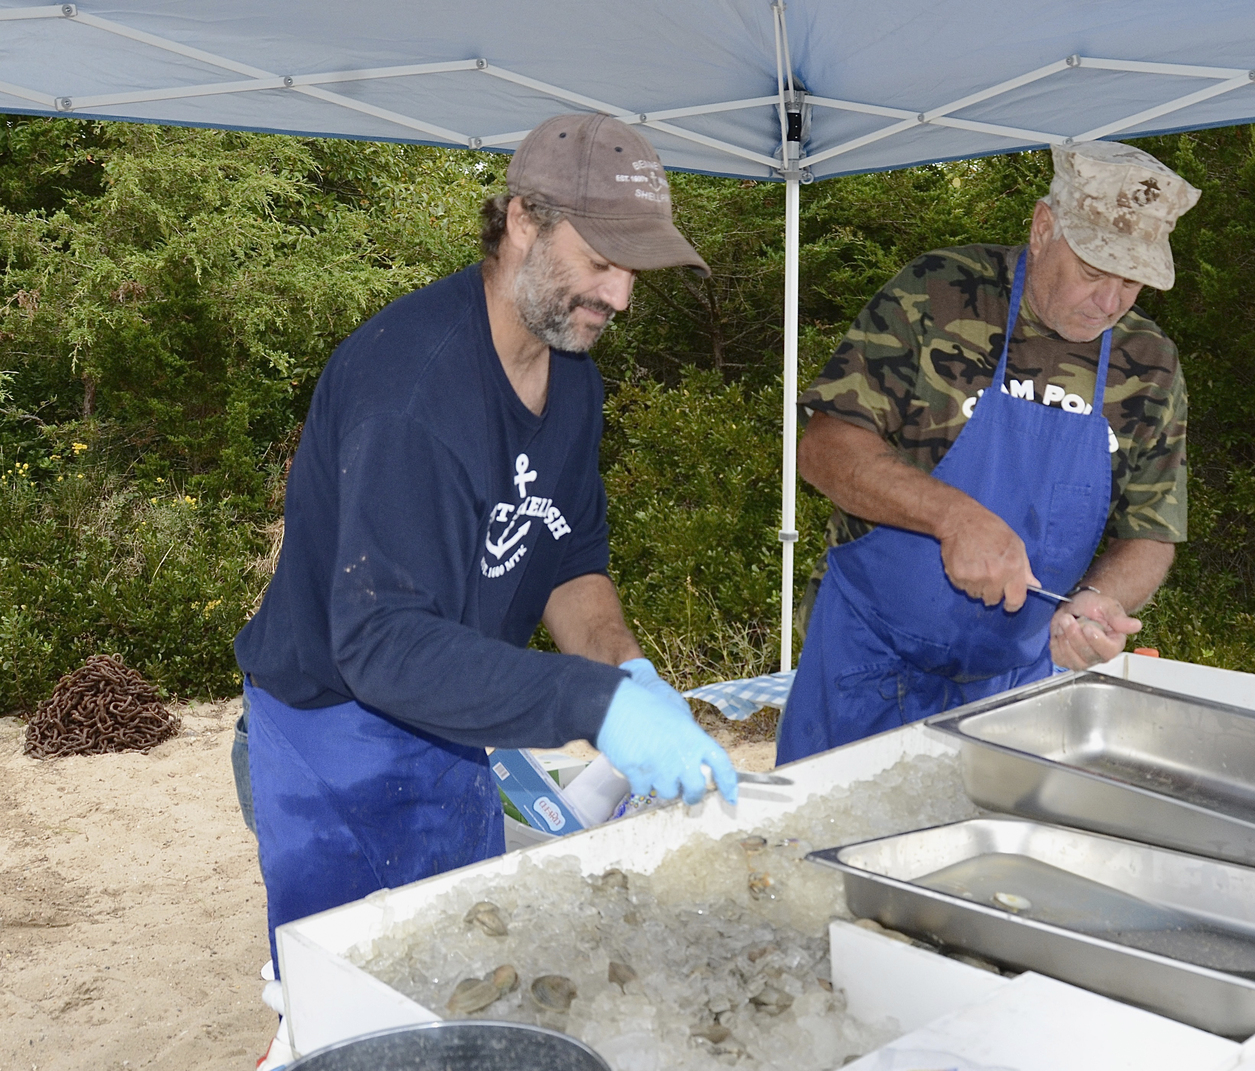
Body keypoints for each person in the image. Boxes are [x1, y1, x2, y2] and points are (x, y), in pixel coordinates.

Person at [232, 113, 738, 1064]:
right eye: (601, 261)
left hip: (456, 723)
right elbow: (378, 642)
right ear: (521, 221)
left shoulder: (571, 373)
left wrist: (630, 671)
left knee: (462, 987)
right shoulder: (412, 389)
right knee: (356, 1021)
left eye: (636, 272)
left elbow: (570, 558)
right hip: (334, 734)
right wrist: (590, 702)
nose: (620, 297)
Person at [777, 141, 1200, 764]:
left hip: (1019, 687)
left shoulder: (1151, 364)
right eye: (1092, 271)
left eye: (1133, 280)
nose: (1110, 302)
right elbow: (825, 449)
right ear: (1042, 227)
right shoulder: (939, 295)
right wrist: (953, 516)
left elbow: (1152, 532)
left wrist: (1100, 600)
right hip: (864, 658)